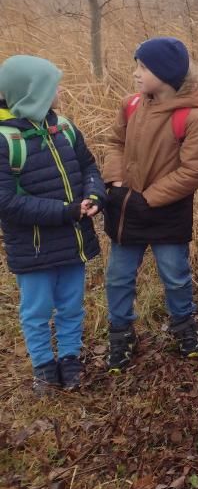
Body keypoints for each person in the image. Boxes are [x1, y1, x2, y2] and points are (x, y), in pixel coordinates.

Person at [102, 37, 198, 373]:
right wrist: (116, 181)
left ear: (165, 73)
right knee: (118, 277)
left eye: (143, 67)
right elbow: (115, 143)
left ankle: (184, 328)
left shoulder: (192, 117)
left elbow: (196, 169)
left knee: (175, 276)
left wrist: (149, 198)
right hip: (127, 209)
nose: (136, 73)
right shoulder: (131, 105)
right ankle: (121, 335)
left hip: (168, 211)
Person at [0, 56, 105, 394]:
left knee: (72, 305)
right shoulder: (5, 140)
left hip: (73, 240)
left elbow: (89, 166)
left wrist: (94, 195)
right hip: (33, 248)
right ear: (31, 92)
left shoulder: (65, 128)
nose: (59, 91)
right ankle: (44, 367)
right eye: (52, 86)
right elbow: (6, 202)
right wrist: (66, 211)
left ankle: (70, 359)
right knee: (36, 310)